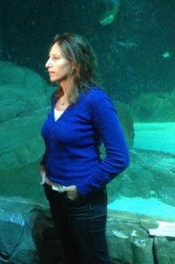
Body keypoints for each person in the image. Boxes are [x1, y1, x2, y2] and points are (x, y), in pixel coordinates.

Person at [40, 33, 129, 263]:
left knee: (93, 260)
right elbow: (56, 138)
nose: (47, 64)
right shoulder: (56, 97)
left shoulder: (96, 101)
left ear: (75, 63)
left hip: (84, 201)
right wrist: (44, 166)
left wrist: (81, 189)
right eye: (49, 57)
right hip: (55, 195)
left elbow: (119, 157)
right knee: (70, 257)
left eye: (55, 57)